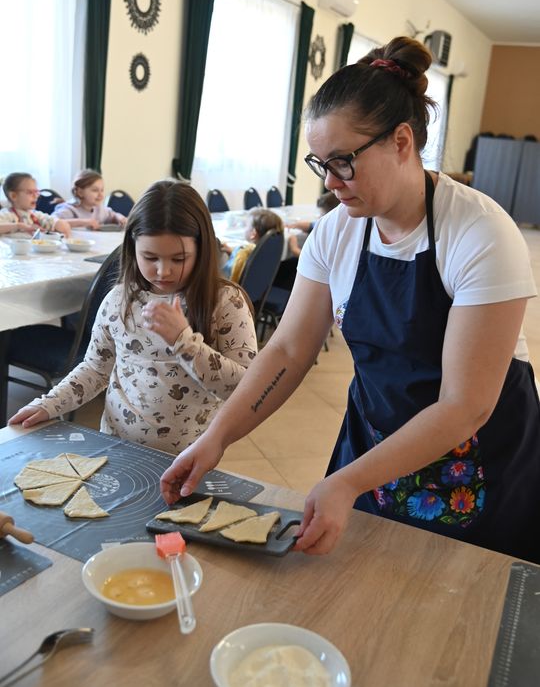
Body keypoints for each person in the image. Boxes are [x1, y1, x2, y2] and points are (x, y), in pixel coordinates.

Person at [159, 36, 540, 563]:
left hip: (474, 465)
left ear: (401, 142)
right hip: (374, 443)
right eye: (321, 165)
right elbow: (288, 352)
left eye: (343, 162)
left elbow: (464, 405)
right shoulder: (336, 232)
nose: (332, 183)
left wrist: (346, 482)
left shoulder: (479, 233)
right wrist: (217, 438)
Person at [9, 180, 258, 454]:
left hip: (190, 456)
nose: (163, 271)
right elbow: (94, 369)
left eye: (179, 259)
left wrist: (185, 343)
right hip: (117, 446)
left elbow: (244, 388)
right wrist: (49, 403)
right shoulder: (119, 300)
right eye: (150, 257)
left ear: (202, 249)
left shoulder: (225, 301)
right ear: (132, 248)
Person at [221, 208, 284, 283]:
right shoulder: (266, 251)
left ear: (253, 234)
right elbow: (250, 261)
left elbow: (229, 278)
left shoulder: (243, 255)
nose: (244, 228)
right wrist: (233, 252)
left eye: (246, 226)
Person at [0, 173, 71, 236]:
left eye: (36, 192)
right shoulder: (6, 215)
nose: (36, 196)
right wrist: (18, 226)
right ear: (13, 196)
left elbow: (51, 221)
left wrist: (59, 223)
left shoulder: (35, 215)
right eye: (30, 192)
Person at [53, 169, 127, 229]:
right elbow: (52, 221)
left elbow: (113, 215)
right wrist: (84, 222)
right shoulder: (69, 209)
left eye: (102, 190)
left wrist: (120, 218)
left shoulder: (99, 209)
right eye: (95, 190)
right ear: (80, 192)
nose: (100, 194)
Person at [287, 191, 340, 257]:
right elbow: (312, 225)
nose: (319, 217)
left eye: (323, 214)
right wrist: (295, 225)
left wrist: (295, 249)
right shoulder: (331, 223)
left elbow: (317, 261)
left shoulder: (333, 236)